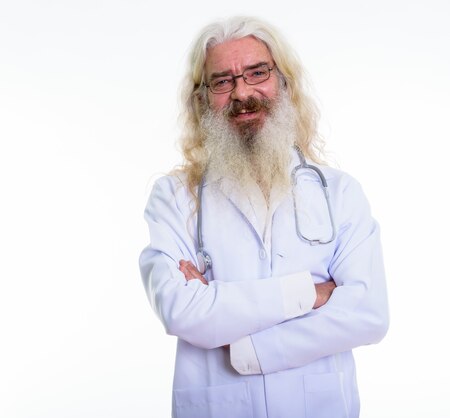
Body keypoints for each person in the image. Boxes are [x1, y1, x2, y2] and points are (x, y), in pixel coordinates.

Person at [138, 16, 389, 418]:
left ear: (284, 82)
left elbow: (367, 315)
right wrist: (311, 294)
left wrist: (242, 344)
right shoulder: (174, 199)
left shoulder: (339, 193)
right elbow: (181, 311)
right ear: (201, 99)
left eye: (258, 73)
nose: (242, 92)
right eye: (222, 81)